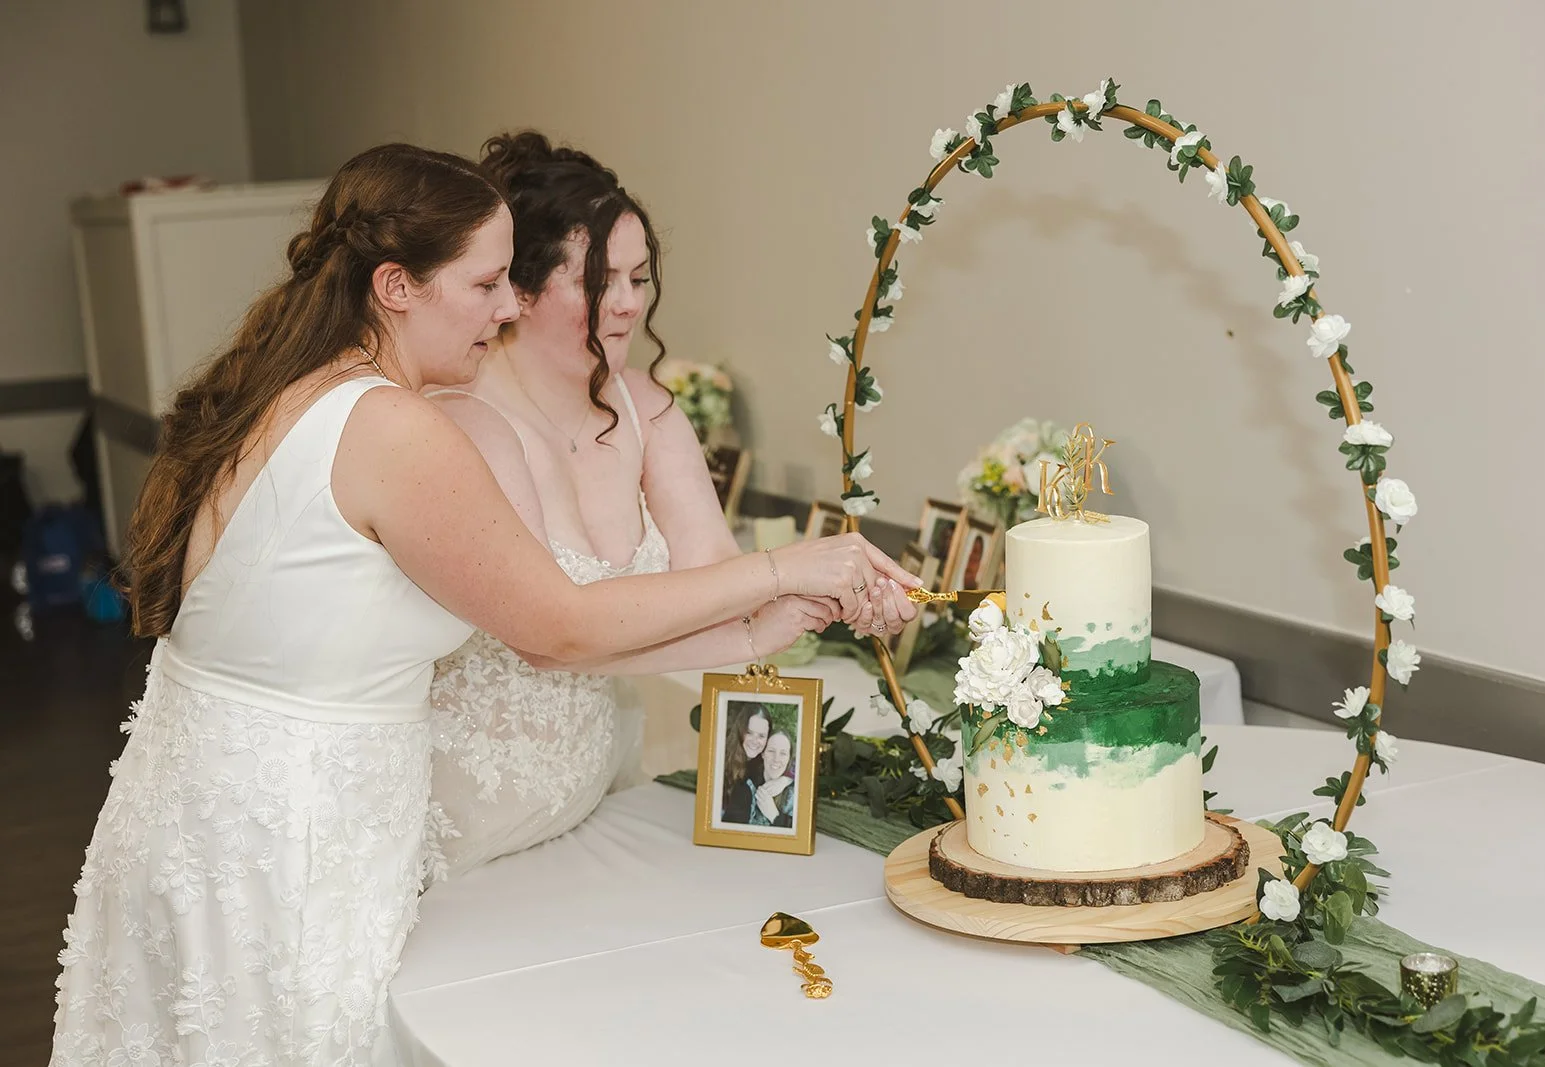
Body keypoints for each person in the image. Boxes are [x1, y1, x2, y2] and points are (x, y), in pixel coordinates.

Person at [49, 142, 917, 1067]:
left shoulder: (295, 390)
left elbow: (545, 642)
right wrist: (784, 569)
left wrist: (752, 628)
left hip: (216, 814)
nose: (508, 307)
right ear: (397, 286)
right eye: (488, 281)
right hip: (288, 838)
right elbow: (558, 623)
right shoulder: (394, 427)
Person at [425, 131, 914, 877]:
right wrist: (786, 573)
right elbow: (548, 635)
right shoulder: (464, 418)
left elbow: (716, 582)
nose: (626, 304)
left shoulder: (646, 408)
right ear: (519, 291)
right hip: (471, 813)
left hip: (592, 797)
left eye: (640, 278)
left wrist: (844, 595)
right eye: (599, 281)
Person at [718, 703, 771, 825]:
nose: (755, 741)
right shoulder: (721, 759)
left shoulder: (762, 766)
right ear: (740, 730)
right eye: (749, 732)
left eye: (761, 736)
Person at [748, 728, 796, 829]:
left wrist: (774, 816)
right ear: (763, 753)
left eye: (783, 753)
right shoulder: (747, 784)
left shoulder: (796, 795)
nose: (776, 759)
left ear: (789, 758)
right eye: (771, 751)